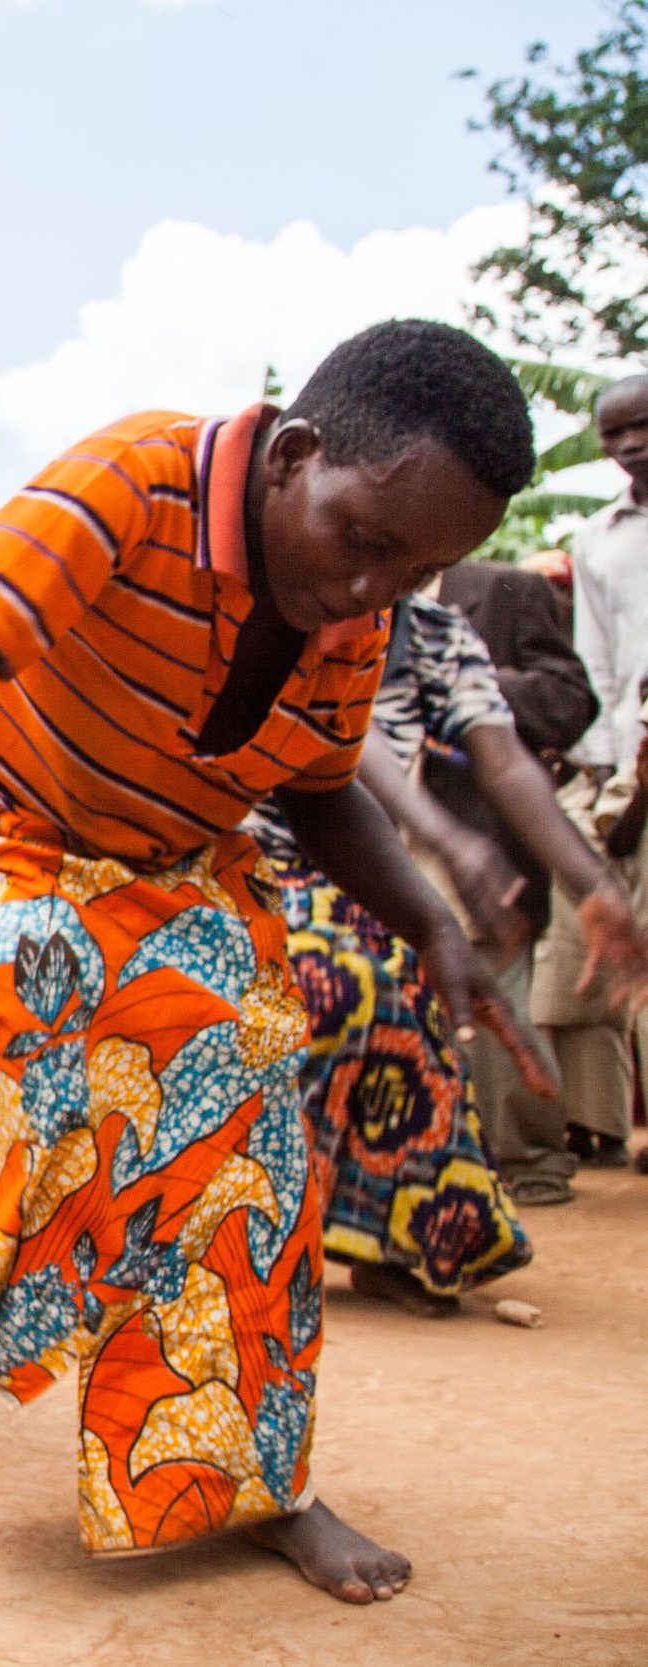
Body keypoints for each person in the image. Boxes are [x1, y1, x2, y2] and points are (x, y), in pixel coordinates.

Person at [0, 320, 545, 1604]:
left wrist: (434, 923)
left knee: (246, 1150)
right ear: (290, 453)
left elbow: (325, 795)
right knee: (36, 974)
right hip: (10, 825)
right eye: (364, 539)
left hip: (177, 865)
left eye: (416, 570)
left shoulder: (355, 613)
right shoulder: (136, 478)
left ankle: (256, 1481)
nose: (371, 589)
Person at [255, 588, 647, 1315]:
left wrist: (591, 883)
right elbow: (347, 748)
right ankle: (259, 1228)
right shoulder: (291, 601)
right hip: (239, 869)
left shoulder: (436, 634)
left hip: (355, 883)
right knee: (345, 983)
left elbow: (506, 765)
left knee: (421, 1008)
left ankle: (400, 1239)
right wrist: (451, 845)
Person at [429, 561, 602, 1203]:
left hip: (484, 840)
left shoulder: (506, 590)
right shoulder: (350, 595)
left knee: (497, 1003)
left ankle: (531, 1157)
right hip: (388, 837)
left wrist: (473, 688)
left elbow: (569, 701)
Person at [550, 372, 648, 1170]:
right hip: (634, 767)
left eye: (641, 426)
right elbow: (598, 669)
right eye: (614, 434)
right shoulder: (598, 540)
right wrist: (609, 776)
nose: (630, 446)